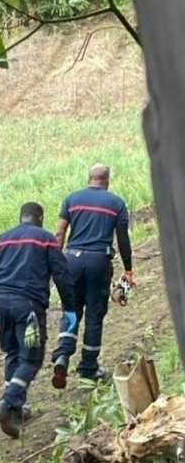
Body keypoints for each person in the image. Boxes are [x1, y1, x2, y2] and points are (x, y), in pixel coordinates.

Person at [0, 202, 76, 438]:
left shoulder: (0, 240)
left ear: (21, 216)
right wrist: (70, 305)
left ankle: (14, 410)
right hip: (29, 308)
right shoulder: (45, 239)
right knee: (31, 358)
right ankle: (8, 401)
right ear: (41, 218)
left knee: (13, 354)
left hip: (3, 305)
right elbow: (61, 274)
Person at [51, 164, 136, 387]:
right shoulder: (116, 203)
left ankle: (62, 355)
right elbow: (123, 239)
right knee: (94, 314)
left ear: (89, 179)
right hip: (99, 261)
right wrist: (128, 269)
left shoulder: (72, 199)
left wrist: (55, 263)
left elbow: (59, 232)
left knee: (71, 309)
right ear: (107, 181)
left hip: (72, 260)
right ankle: (88, 366)